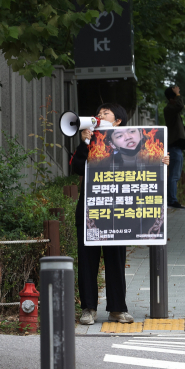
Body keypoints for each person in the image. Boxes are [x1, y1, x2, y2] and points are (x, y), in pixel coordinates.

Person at [74, 103, 134, 325]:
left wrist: (162, 162)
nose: (99, 115)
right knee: (87, 261)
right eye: (97, 113)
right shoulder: (89, 141)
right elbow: (78, 168)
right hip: (90, 210)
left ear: (118, 121)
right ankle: (88, 308)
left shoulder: (130, 141)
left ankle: (117, 309)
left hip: (117, 210)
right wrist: (84, 143)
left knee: (116, 260)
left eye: (105, 113)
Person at [164, 85, 185, 209]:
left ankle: (172, 199)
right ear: (171, 99)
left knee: (175, 176)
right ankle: (172, 200)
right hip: (174, 148)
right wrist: (178, 94)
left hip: (176, 147)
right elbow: (180, 106)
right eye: (176, 97)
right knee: (174, 176)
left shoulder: (172, 111)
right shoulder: (169, 109)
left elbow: (177, 130)